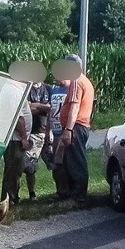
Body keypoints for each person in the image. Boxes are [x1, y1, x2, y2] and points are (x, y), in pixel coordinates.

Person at [59, 53, 95, 203]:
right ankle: (74, 192)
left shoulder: (76, 81)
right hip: (81, 126)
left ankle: (79, 195)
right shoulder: (85, 81)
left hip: (76, 127)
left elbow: (75, 107)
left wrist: (68, 130)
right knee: (73, 160)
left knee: (77, 161)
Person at [23, 78, 52, 200]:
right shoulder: (27, 89)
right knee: (30, 166)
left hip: (46, 131)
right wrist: (44, 107)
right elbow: (27, 107)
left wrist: (38, 107)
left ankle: (62, 191)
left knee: (54, 163)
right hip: (32, 132)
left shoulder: (49, 89)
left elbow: (52, 108)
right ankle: (32, 193)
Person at [1, 97, 33, 207]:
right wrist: (24, 138)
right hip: (16, 140)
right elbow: (19, 118)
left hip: (15, 140)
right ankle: (10, 200)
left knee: (13, 171)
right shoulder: (15, 91)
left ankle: (10, 199)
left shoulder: (16, 90)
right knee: (14, 171)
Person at [45, 76, 72, 199]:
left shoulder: (71, 90)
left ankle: (64, 192)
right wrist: (47, 131)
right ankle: (60, 190)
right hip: (54, 132)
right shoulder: (54, 90)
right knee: (55, 162)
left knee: (60, 163)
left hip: (63, 132)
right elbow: (51, 111)